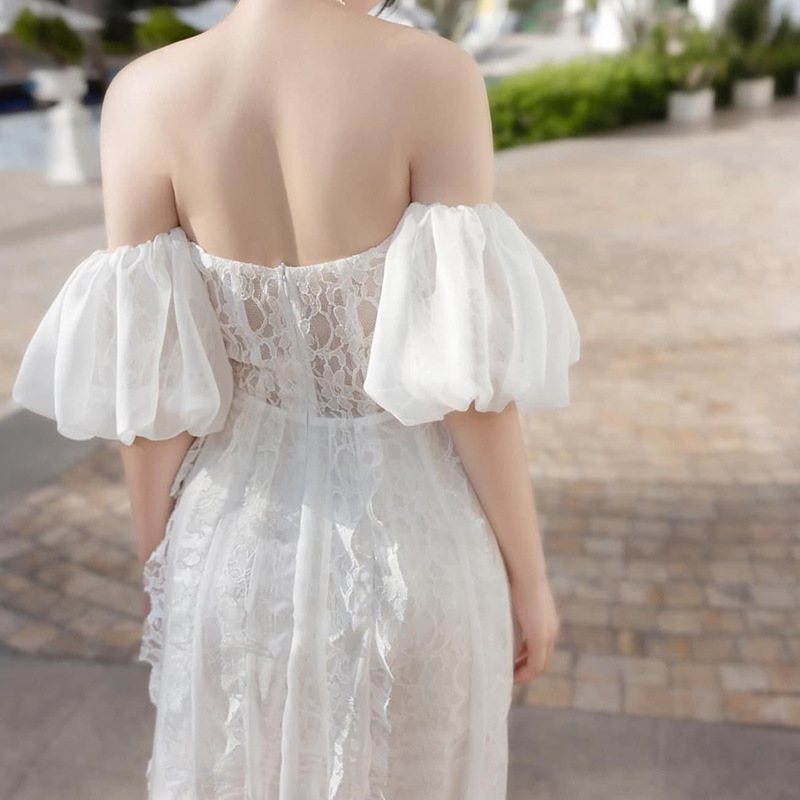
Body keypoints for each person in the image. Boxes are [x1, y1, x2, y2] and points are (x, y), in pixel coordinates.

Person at [12, 0, 580, 795]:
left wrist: (163, 577)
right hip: (415, 556)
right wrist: (530, 580)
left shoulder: (143, 93)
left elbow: (151, 395)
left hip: (230, 560)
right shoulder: (431, 74)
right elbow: (470, 386)